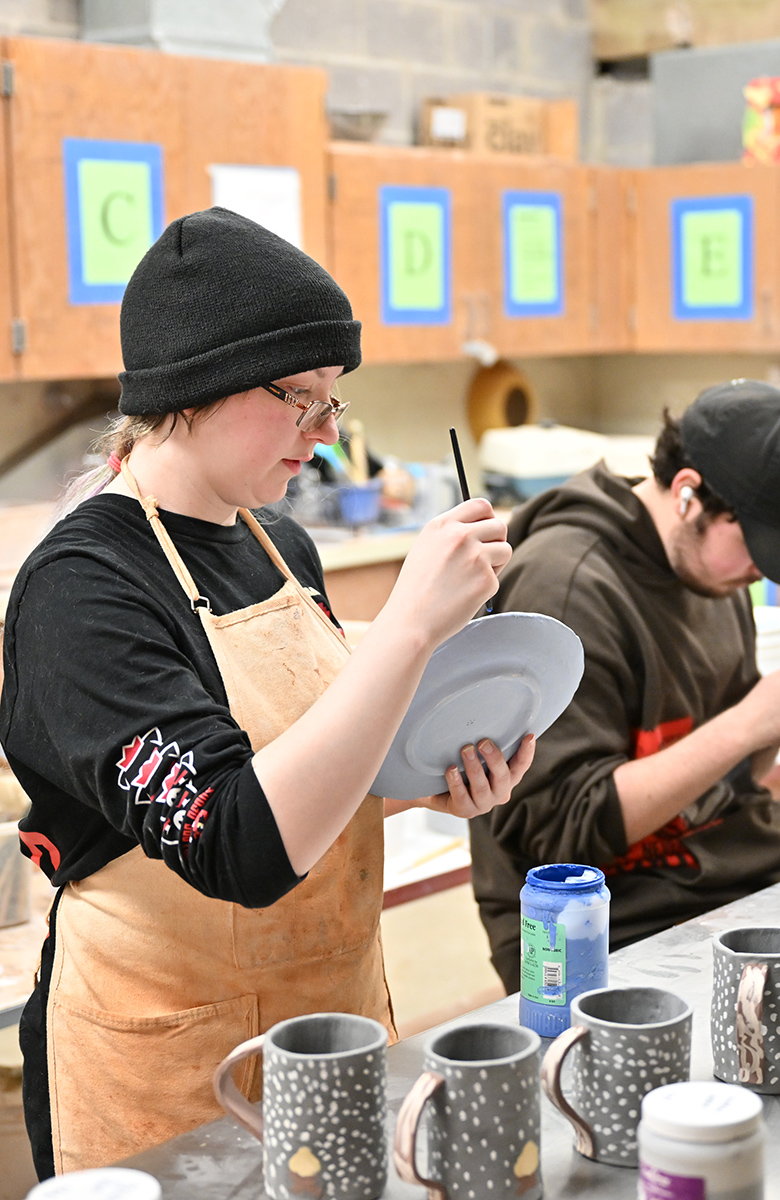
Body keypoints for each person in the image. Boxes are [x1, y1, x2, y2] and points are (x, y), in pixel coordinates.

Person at [0, 208, 535, 1176]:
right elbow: (237, 840)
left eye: (334, 402)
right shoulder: (81, 593)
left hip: (330, 1033)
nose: (328, 437)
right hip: (165, 1086)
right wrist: (409, 626)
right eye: (303, 400)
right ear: (200, 383)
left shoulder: (275, 543)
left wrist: (427, 775)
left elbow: (309, 762)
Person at [470, 379, 780, 995]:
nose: (757, 572)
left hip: (723, 887)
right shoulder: (566, 588)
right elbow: (563, 832)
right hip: (604, 927)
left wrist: (763, 744)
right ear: (689, 494)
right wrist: (750, 723)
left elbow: (743, 777)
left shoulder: (711, 576)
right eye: (754, 546)